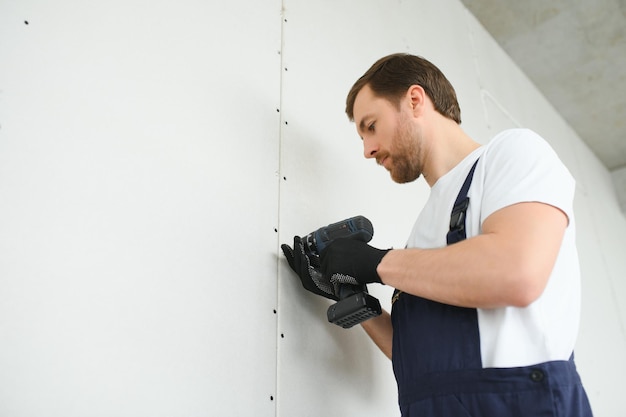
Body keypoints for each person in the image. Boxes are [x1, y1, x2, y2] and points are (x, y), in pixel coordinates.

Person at [281, 53, 593, 417]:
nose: (367, 150)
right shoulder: (422, 232)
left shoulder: (513, 154)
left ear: (415, 100)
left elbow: (516, 273)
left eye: (371, 125)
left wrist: (376, 262)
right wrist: (351, 294)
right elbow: (416, 356)